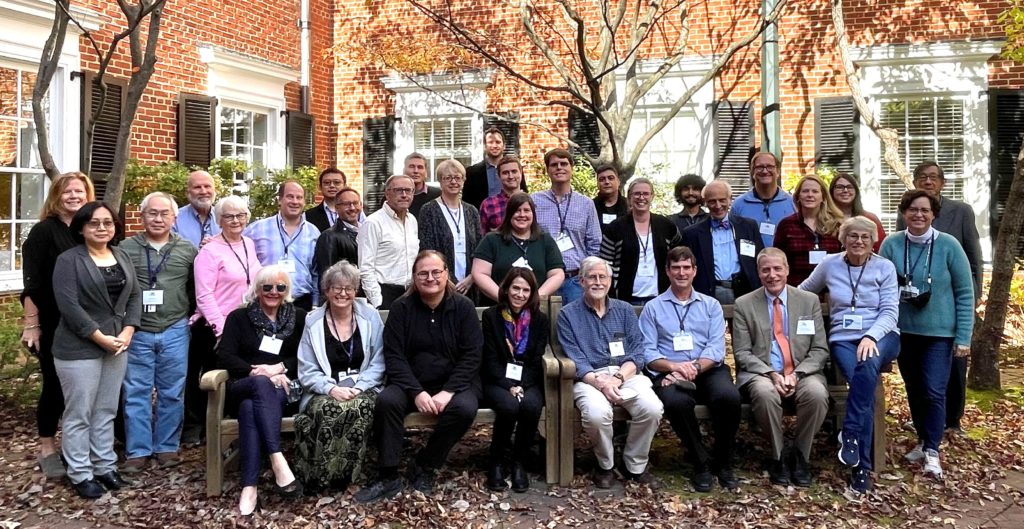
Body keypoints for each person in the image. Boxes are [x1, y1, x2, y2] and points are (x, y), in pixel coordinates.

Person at [355, 251, 483, 503]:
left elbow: (472, 355)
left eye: (437, 272)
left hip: (454, 383)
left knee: (465, 408)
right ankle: (388, 474)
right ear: (414, 277)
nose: (430, 278)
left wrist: (448, 391)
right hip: (411, 382)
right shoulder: (402, 308)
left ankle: (425, 464)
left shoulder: (463, 308)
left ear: (447, 274)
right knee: (387, 402)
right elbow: (394, 356)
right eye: (423, 273)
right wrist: (417, 391)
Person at [800, 216, 900, 494]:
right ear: (843, 239)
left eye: (865, 237)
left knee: (867, 365)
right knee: (863, 378)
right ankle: (861, 469)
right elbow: (805, 292)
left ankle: (851, 432)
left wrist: (871, 336)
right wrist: (774, 299)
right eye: (853, 236)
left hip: (883, 335)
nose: (858, 241)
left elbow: (891, 311)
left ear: (873, 241)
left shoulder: (885, 267)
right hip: (844, 339)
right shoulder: (830, 264)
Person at [880, 190, 974, 479]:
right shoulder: (892, 245)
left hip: (940, 334)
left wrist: (963, 337)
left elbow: (964, 292)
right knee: (915, 389)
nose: (918, 215)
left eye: (924, 210)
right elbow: (878, 284)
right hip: (904, 331)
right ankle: (922, 440)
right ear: (903, 212)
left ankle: (933, 449)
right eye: (912, 209)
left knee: (934, 390)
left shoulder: (949, 245)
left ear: (934, 214)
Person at [52, 201, 141, 499]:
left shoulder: (122, 255)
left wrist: (129, 330)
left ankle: (104, 466)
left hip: (117, 345)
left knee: (105, 409)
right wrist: (99, 337)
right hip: (79, 347)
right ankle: (80, 472)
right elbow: (69, 306)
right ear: (81, 227)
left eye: (107, 222)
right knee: (80, 412)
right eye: (94, 223)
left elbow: (135, 296)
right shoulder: (69, 260)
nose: (102, 228)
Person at [558, 256, 664, 489]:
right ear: (581, 281)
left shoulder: (624, 310)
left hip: (625, 374)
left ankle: (634, 464)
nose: (597, 282)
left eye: (602, 277)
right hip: (589, 378)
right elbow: (575, 357)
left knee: (652, 408)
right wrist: (601, 383)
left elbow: (638, 352)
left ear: (610, 281)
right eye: (592, 277)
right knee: (597, 414)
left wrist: (617, 379)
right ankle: (605, 464)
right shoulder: (567, 315)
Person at [640, 246, 740, 492]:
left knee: (728, 397)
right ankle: (701, 463)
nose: (681, 273)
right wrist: (674, 367)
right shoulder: (653, 307)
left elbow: (716, 348)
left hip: (707, 369)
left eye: (686, 267)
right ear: (667, 271)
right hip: (669, 371)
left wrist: (693, 367)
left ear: (695, 271)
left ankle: (723, 461)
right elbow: (648, 352)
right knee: (676, 402)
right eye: (676, 268)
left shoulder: (711, 305)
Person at [896, 161, 982, 436]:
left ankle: (953, 420)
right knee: (919, 376)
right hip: (913, 313)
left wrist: (974, 295)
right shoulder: (907, 216)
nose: (928, 181)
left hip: (950, 303)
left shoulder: (961, 212)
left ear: (942, 183)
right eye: (923, 177)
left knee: (954, 369)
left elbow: (973, 257)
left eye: (934, 177)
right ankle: (927, 423)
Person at [733, 248, 830, 488]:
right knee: (765, 394)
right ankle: (777, 457)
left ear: (787, 270)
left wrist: (796, 375)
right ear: (758, 273)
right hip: (763, 372)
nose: (772, 275)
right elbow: (742, 353)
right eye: (765, 269)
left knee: (817, 395)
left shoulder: (808, 301)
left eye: (777, 268)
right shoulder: (745, 304)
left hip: (802, 370)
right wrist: (772, 375)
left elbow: (819, 349)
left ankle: (800, 455)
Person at [21, 171, 95, 479]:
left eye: (80, 191)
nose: (74, 197)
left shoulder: (91, 229)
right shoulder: (43, 232)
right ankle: (48, 449)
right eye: (68, 192)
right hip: (53, 323)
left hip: (90, 322)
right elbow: (32, 283)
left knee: (87, 388)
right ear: (56, 197)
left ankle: (81, 446)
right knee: (55, 386)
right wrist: (31, 324)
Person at [217, 265, 307, 515]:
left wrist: (278, 369)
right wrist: (254, 371)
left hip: (282, 386)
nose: (273, 292)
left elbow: (305, 356)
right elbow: (224, 356)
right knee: (258, 385)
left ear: (287, 291)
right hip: (244, 384)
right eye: (267, 287)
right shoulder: (239, 317)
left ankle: (249, 486)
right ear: (257, 289)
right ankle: (277, 458)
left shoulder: (298, 316)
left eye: (280, 287)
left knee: (250, 409)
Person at [119, 193, 197, 473]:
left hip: (175, 328)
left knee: (172, 392)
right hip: (138, 330)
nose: (158, 218)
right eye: (152, 213)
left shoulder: (188, 249)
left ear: (174, 218)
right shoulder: (125, 249)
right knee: (136, 391)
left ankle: (166, 447)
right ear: (142, 216)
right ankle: (137, 451)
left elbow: (195, 286)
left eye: (164, 213)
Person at [295, 261, 385, 491]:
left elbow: (380, 361)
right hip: (325, 390)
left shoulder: (370, 316)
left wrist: (360, 387)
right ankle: (320, 475)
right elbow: (307, 369)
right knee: (329, 409)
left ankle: (345, 476)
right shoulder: (312, 321)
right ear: (326, 290)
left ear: (356, 291)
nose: (343, 293)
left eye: (349, 288)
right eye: (336, 287)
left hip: (362, 388)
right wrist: (331, 389)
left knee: (359, 408)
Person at [185, 195, 263, 445]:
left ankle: (237, 431)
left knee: (237, 378)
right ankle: (207, 434)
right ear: (219, 220)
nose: (235, 220)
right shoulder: (209, 251)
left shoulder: (248, 244)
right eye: (228, 216)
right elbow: (204, 295)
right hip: (214, 327)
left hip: (243, 323)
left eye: (240, 215)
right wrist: (221, 330)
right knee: (211, 381)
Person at [481, 268, 551, 493]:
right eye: (516, 288)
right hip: (497, 379)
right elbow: (490, 359)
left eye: (526, 290)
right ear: (506, 289)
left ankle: (519, 462)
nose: (520, 294)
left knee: (531, 406)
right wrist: (509, 386)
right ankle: (497, 462)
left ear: (532, 294)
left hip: (528, 380)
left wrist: (522, 385)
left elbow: (536, 358)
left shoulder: (539, 320)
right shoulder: (492, 316)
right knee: (509, 407)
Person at [531, 148, 602, 304]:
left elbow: (594, 244)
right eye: (554, 164)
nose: (559, 168)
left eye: (564, 164)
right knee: (545, 326)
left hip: (575, 281)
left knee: (576, 325)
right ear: (547, 170)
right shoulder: (534, 201)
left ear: (571, 168)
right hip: (544, 279)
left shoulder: (586, 204)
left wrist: (586, 275)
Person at [599, 177, 681, 304]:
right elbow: (605, 265)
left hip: (661, 298)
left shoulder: (666, 225)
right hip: (626, 299)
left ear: (652, 196)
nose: (641, 197)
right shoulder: (615, 228)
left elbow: (679, 255)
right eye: (636, 193)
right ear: (629, 197)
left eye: (646, 193)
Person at [472, 192, 565, 303]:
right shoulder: (491, 240)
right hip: (498, 308)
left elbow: (557, 274)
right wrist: (505, 299)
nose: (522, 215)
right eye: (517, 210)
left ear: (533, 214)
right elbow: (479, 273)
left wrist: (536, 298)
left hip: (536, 310)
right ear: (509, 214)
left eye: (526, 210)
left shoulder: (545, 241)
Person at [680, 180, 763, 305]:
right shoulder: (692, 233)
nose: (718, 206)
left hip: (745, 292)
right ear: (705, 202)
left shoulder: (748, 227)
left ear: (730, 199)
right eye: (712, 201)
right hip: (708, 294)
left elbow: (759, 260)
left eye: (722, 200)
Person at [244, 180, 321, 310]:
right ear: (279, 200)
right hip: (266, 302)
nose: (295, 202)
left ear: (304, 202)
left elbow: (316, 272)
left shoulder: (314, 232)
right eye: (290, 196)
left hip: (301, 303)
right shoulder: (257, 229)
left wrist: (315, 303)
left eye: (299, 198)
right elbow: (236, 249)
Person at [418, 159, 482, 297]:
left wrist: (471, 278)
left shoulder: (472, 211)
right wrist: (447, 280)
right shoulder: (429, 210)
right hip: (439, 283)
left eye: (457, 177)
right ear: (440, 182)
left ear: (463, 181)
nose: (453, 182)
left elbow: (479, 249)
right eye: (448, 178)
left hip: (470, 284)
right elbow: (427, 249)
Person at [358, 175, 419, 309]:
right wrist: (377, 302)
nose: (404, 195)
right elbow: (365, 267)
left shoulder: (412, 221)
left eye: (408, 190)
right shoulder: (373, 223)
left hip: (411, 294)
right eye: (399, 190)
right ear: (387, 193)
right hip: (385, 293)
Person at [772, 174, 843, 286]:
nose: (810, 195)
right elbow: (777, 260)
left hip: (830, 291)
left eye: (815, 191)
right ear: (798, 196)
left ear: (823, 197)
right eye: (805, 191)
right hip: (796, 290)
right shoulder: (786, 225)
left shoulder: (836, 225)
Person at [731, 152, 795, 247]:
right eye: (759, 167)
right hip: (751, 260)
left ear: (778, 171)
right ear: (752, 172)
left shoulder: (792, 203)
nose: (765, 171)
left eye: (770, 166)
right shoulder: (739, 204)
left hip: (784, 260)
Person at [465, 127, 526, 208]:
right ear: (484, 146)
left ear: (504, 146)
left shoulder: (514, 170)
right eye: (490, 142)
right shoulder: (472, 172)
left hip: (512, 215)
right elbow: (467, 202)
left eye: (498, 142)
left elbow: (524, 193)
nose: (494, 145)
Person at [829, 173, 885, 252]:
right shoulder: (824, 219)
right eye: (839, 187)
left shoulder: (870, 219)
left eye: (850, 187)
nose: (845, 190)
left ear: (856, 191)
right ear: (831, 191)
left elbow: (881, 248)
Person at [314, 188, 362, 279]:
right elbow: (326, 276)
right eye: (346, 204)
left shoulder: (366, 231)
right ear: (337, 208)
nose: (352, 208)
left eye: (355, 203)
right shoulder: (329, 237)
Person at [173, 170, 221, 247]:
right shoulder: (175, 219)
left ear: (215, 190)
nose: (203, 191)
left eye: (207, 186)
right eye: (197, 187)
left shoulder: (225, 217)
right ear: (187, 193)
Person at [479, 155, 526, 234]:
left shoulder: (532, 202)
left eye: (514, 171)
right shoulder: (488, 204)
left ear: (520, 172)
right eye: (505, 173)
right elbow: (482, 237)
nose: (510, 176)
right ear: (498, 176)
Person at [305, 167, 348, 232]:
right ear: (320, 187)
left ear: (344, 186)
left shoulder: (355, 212)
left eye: (337, 182)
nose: (332, 186)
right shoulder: (308, 215)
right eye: (327, 182)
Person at [405, 152, 441, 217]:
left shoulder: (438, 195)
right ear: (404, 170)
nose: (416, 171)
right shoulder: (393, 195)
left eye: (420, 167)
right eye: (411, 166)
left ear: (426, 172)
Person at [593, 165, 628, 232]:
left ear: (618, 181)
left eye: (611, 178)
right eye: (602, 179)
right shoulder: (591, 206)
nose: (607, 182)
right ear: (597, 184)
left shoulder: (629, 206)